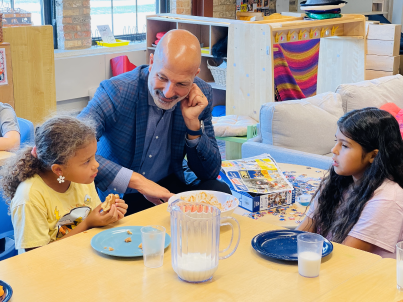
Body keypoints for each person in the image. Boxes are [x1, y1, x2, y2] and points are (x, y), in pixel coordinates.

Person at [78, 29, 230, 215]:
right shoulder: (116, 91)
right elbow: (72, 148)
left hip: (167, 185)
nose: (168, 92)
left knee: (219, 191)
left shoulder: (201, 94)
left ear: (195, 75)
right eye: (162, 77)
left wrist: (193, 126)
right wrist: (139, 182)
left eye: (181, 84)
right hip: (122, 193)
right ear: (151, 63)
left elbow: (210, 171)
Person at [1, 116, 128, 251]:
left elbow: (93, 220)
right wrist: (87, 224)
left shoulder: (82, 180)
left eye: (93, 157)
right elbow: (36, 256)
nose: (96, 164)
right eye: (87, 161)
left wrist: (108, 215)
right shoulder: (29, 198)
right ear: (58, 170)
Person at [297, 107, 403, 258]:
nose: (334, 149)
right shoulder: (338, 181)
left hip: (360, 275)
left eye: (345, 145)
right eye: (336, 141)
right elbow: (302, 233)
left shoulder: (388, 198)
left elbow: (344, 257)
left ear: (373, 156)